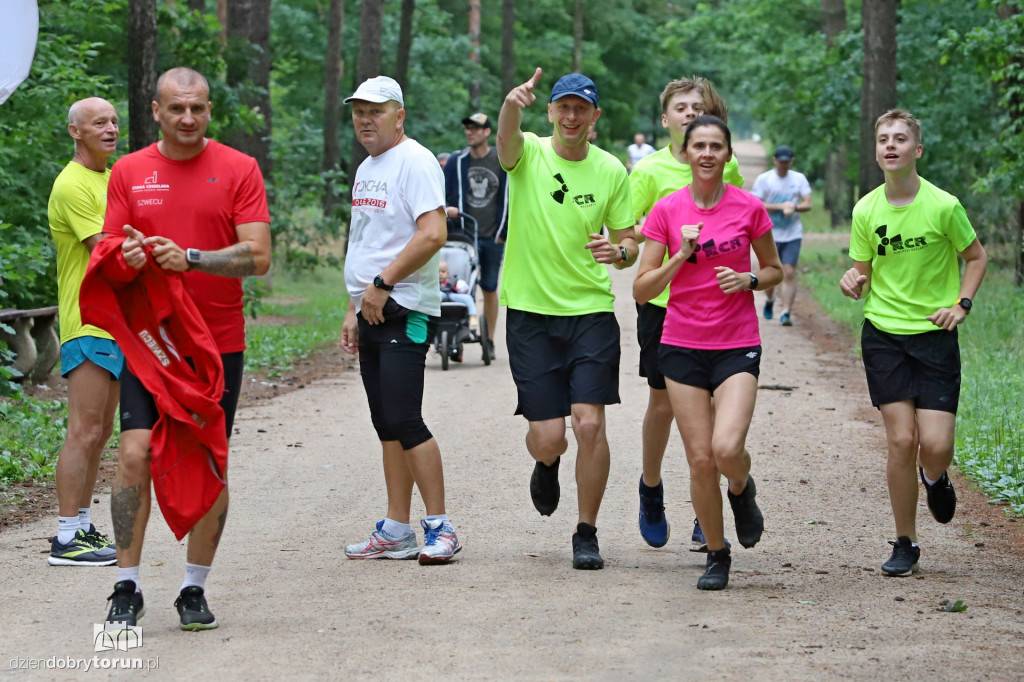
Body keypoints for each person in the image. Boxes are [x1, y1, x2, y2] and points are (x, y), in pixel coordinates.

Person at [100, 67, 271, 630]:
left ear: (210, 110)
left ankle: (193, 589)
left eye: (197, 108)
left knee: (209, 465)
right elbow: (109, 252)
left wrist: (192, 258)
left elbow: (258, 257)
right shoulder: (128, 171)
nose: (188, 119)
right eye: (177, 109)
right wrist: (124, 260)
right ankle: (126, 586)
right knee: (133, 454)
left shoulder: (238, 168)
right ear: (155, 110)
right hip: (149, 345)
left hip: (215, 347)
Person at [633, 115, 782, 590]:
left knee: (726, 449)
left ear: (728, 154)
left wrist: (750, 280)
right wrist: (680, 254)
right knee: (700, 459)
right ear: (686, 151)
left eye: (716, 146)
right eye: (699, 145)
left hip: (736, 343)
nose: (707, 154)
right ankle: (717, 554)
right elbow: (641, 289)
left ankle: (740, 487)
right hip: (680, 345)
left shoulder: (750, 208)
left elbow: (775, 269)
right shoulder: (667, 210)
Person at [497, 68, 637, 570]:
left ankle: (586, 532)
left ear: (594, 117)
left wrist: (617, 251)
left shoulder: (611, 170)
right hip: (532, 313)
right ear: (552, 112)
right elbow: (505, 140)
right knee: (551, 435)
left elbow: (628, 245)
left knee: (590, 423)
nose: (572, 116)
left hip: (590, 313)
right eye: (564, 107)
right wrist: (512, 104)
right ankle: (546, 461)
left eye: (582, 109)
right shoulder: (529, 152)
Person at [839, 109, 987, 577]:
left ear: (916, 150)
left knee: (937, 443)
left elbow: (977, 258)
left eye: (900, 139)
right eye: (883, 139)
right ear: (876, 150)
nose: (890, 145)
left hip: (935, 335)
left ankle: (935, 475)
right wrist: (852, 281)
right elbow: (861, 273)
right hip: (883, 334)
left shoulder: (944, 206)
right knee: (901, 439)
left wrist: (961, 305)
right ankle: (906, 541)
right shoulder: (866, 209)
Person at [341, 76, 462, 566]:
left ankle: (441, 526)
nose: (365, 120)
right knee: (386, 424)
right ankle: (395, 529)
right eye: (358, 112)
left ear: (399, 115)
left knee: (406, 419)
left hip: (403, 309)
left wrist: (384, 283)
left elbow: (433, 234)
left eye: (376, 111)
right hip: (370, 308)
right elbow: (363, 241)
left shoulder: (414, 160)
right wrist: (351, 308)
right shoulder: (369, 166)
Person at [629, 77, 744, 554]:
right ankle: (651, 489)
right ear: (666, 118)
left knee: (715, 412)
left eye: (697, 107)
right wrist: (660, 237)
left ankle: (705, 508)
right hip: (663, 305)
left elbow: (738, 220)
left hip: (713, 305)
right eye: (680, 108)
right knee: (662, 404)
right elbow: (631, 230)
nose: (689, 113)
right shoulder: (650, 171)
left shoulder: (726, 163)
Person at [46, 97, 124, 567]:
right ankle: (63, 537)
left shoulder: (111, 179)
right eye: (99, 122)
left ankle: (81, 527)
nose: (110, 128)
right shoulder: (72, 184)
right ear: (76, 131)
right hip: (87, 322)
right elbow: (106, 249)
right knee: (84, 429)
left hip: (116, 324)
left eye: (114, 121)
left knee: (101, 432)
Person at [444, 112, 508, 358]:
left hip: (493, 235)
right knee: (461, 287)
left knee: (489, 286)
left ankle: (489, 339)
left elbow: (510, 197)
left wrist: (504, 232)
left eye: (476, 128)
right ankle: (456, 338)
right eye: (468, 128)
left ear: (487, 132)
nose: (470, 132)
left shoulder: (501, 161)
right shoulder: (456, 162)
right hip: (462, 238)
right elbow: (447, 195)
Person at [751, 145, 812, 326]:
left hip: (792, 233)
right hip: (769, 234)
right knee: (770, 274)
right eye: (781, 161)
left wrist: (794, 207)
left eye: (787, 161)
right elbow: (756, 204)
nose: (784, 165)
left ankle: (786, 312)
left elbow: (808, 203)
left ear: (791, 161)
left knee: (789, 272)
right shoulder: (765, 179)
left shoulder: (799, 179)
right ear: (775, 160)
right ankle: (769, 300)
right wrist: (780, 206)